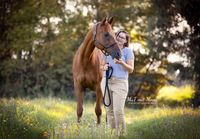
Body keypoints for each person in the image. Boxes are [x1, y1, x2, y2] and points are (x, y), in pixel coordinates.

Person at [100, 30, 134, 136]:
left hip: (120, 83)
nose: (119, 38)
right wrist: (104, 67)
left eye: (122, 38)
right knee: (109, 111)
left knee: (118, 111)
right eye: (118, 36)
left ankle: (121, 135)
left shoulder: (128, 51)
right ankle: (112, 134)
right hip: (106, 81)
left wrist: (121, 63)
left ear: (125, 41)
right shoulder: (107, 49)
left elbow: (131, 69)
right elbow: (101, 66)